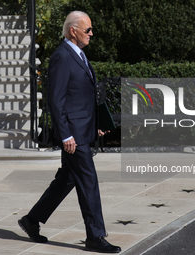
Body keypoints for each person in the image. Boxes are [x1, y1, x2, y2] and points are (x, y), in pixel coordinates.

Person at [18, 11, 121, 253]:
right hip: (73, 135)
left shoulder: (78, 54)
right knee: (88, 181)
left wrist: (93, 123)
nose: (92, 34)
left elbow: (79, 98)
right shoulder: (62, 57)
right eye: (88, 30)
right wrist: (65, 135)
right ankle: (95, 236)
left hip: (81, 130)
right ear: (73, 30)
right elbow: (56, 101)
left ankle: (31, 221)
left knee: (67, 179)